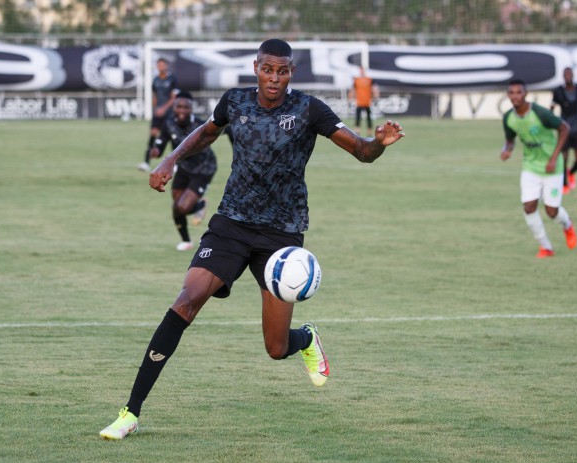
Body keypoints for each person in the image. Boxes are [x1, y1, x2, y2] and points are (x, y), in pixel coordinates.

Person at [100, 38, 405, 440]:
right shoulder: (235, 102)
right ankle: (130, 412)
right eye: (267, 69)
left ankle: (307, 338)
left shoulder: (309, 109)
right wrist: (170, 159)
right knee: (187, 300)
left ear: (291, 72)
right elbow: (207, 133)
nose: (274, 78)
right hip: (231, 224)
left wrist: (378, 145)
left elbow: (362, 151)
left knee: (276, 348)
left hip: (281, 236)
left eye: (282, 71)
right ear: (256, 67)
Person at [501, 78, 577, 259]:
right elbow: (510, 140)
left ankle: (567, 225)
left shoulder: (540, 113)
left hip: (552, 167)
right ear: (508, 95)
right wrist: (507, 150)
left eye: (519, 92)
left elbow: (564, 128)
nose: (515, 96)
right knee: (529, 207)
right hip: (530, 167)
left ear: (525, 93)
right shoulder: (508, 118)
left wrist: (553, 158)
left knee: (552, 212)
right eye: (511, 93)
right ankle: (546, 247)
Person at [148, 91, 215, 251]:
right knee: (176, 207)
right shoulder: (169, 124)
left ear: (192, 108)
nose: (182, 110)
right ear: (174, 108)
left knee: (184, 207)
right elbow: (161, 142)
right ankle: (186, 241)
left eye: (186, 107)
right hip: (182, 168)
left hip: (203, 169)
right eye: (179, 106)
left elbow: (227, 130)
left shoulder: (202, 125)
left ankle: (198, 205)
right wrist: (156, 150)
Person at [551, 67, 577, 194]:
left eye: (569, 74)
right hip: (564, 129)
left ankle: (571, 172)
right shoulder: (558, 91)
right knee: (564, 157)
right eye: (565, 74)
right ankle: (564, 183)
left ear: (573, 75)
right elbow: (552, 106)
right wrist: (550, 119)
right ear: (563, 76)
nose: (568, 76)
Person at [138, 57, 178, 172]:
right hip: (158, 114)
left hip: (169, 113)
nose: (160, 67)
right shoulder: (155, 80)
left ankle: (174, 164)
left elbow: (173, 97)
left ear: (166, 66)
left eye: (162, 65)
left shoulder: (172, 79)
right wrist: (155, 109)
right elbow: (155, 96)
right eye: (158, 65)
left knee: (172, 137)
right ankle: (146, 162)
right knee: (153, 134)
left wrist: (164, 108)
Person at [348, 66, 379, 136]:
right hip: (359, 102)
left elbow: (375, 89)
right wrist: (350, 99)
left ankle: (369, 131)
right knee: (358, 117)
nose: (361, 71)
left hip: (367, 102)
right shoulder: (356, 80)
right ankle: (357, 131)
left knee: (368, 117)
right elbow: (353, 90)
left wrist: (376, 97)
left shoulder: (369, 79)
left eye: (362, 70)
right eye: (360, 70)